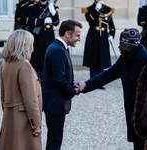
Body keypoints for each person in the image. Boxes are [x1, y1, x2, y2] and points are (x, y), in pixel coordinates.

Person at [81, 28, 147, 150]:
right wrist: (84, 86)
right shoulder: (124, 59)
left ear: (132, 46)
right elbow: (106, 76)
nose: (119, 47)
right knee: (137, 142)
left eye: (122, 44)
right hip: (132, 109)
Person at [0, 29, 42, 150]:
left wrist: (8, 111)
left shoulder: (5, 64)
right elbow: (30, 98)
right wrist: (36, 124)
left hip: (10, 115)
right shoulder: (24, 65)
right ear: (25, 45)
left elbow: (3, 95)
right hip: (24, 119)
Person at [42, 19, 83, 150]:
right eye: (77, 35)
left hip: (55, 102)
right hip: (55, 103)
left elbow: (60, 75)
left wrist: (72, 83)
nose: (79, 39)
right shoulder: (57, 50)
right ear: (67, 34)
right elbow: (58, 79)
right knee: (55, 141)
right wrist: (73, 91)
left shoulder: (59, 47)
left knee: (55, 139)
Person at [82, 0, 116, 87]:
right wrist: (96, 10)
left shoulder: (108, 9)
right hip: (93, 36)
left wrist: (111, 35)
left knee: (102, 59)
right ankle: (92, 80)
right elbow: (90, 20)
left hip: (103, 37)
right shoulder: (89, 9)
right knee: (92, 58)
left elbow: (111, 26)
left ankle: (100, 81)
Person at [28, 0, 59, 84]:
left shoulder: (53, 7)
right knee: (38, 57)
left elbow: (56, 22)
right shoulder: (33, 7)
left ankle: (48, 78)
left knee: (48, 55)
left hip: (49, 36)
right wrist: (43, 21)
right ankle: (38, 78)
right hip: (38, 36)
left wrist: (53, 12)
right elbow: (31, 21)